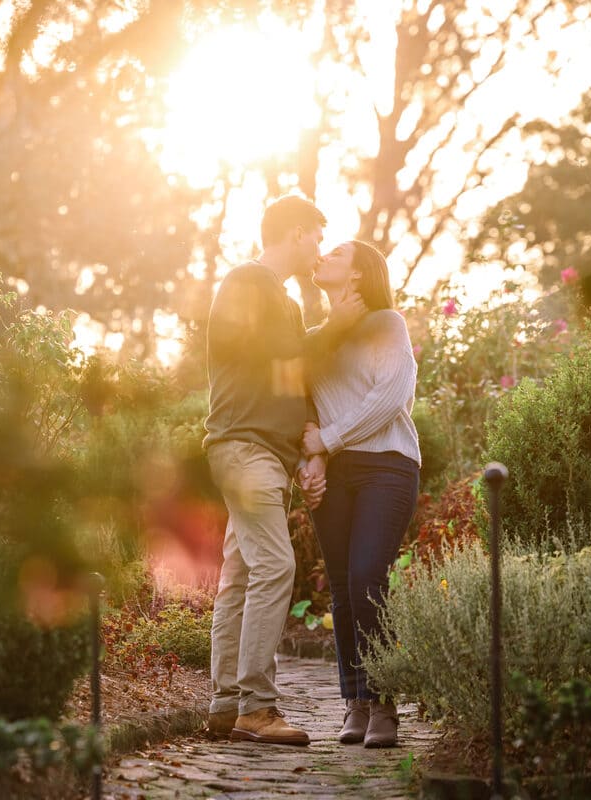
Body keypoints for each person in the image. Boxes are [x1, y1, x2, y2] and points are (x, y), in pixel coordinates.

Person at [203, 195, 364, 745]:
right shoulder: (248, 281)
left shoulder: (286, 302)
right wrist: (334, 329)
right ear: (296, 233)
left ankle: (227, 704)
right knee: (275, 567)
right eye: (317, 237)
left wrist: (306, 453)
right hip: (242, 447)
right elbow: (273, 356)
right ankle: (258, 707)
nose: (319, 248)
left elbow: (288, 381)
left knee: (242, 575)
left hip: (262, 452)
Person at [299, 239, 421, 749]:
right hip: (336, 474)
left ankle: (386, 701)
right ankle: (357, 701)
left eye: (334, 254)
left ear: (356, 275)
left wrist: (325, 441)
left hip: (387, 466)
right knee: (346, 589)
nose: (321, 256)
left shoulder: (386, 323)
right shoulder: (314, 338)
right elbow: (298, 399)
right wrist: (313, 460)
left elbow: (391, 395)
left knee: (370, 577)